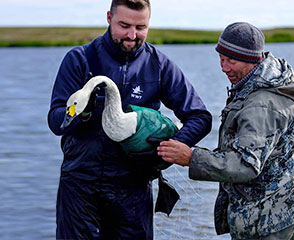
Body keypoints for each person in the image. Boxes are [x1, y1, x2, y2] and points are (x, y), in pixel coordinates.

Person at [47, 0, 212, 239]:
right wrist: (81, 114)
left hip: (133, 190)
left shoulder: (159, 65)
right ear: (108, 18)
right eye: (124, 25)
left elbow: (200, 117)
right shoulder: (79, 60)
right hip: (80, 187)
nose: (132, 35)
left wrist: (166, 149)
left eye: (141, 27)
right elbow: (55, 121)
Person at [158, 22, 294, 240]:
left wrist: (191, 158)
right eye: (221, 59)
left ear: (254, 60)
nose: (224, 67)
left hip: (269, 217)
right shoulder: (264, 81)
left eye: (231, 61)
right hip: (284, 208)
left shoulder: (261, 104)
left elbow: (245, 165)